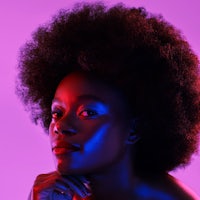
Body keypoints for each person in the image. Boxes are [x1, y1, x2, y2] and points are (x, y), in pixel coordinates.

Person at [15, 1, 200, 199]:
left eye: (88, 113)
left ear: (134, 128)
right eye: (57, 113)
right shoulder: (53, 194)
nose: (61, 126)